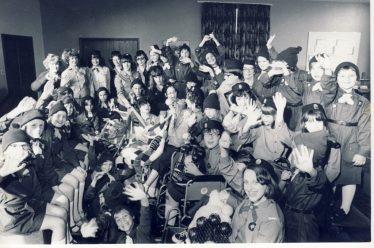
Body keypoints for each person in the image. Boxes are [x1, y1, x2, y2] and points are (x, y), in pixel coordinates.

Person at [0, 129, 68, 244]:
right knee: (58, 224)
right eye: (14, 146)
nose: (20, 151)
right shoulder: (3, 167)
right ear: (5, 151)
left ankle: (64, 241)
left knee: (62, 212)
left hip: (28, 205)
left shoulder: (27, 165)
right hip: (12, 218)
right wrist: (2, 173)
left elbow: (36, 191)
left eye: (24, 146)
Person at [325, 62, 370, 222]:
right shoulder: (329, 95)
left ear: (357, 79)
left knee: (349, 175)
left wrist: (363, 151)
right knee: (330, 171)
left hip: (352, 140)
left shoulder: (363, 103)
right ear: (336, 78)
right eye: (342, 76)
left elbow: (366, 128)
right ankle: (327, 204)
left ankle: (345, 209)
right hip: (331, 138)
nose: (347, 79)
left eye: (351, 75)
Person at [226, 159, 284, 243]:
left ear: (268, 185)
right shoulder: (249, 200)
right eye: (246, 182)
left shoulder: (271, 221)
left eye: (256, 182)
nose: (249, 188)